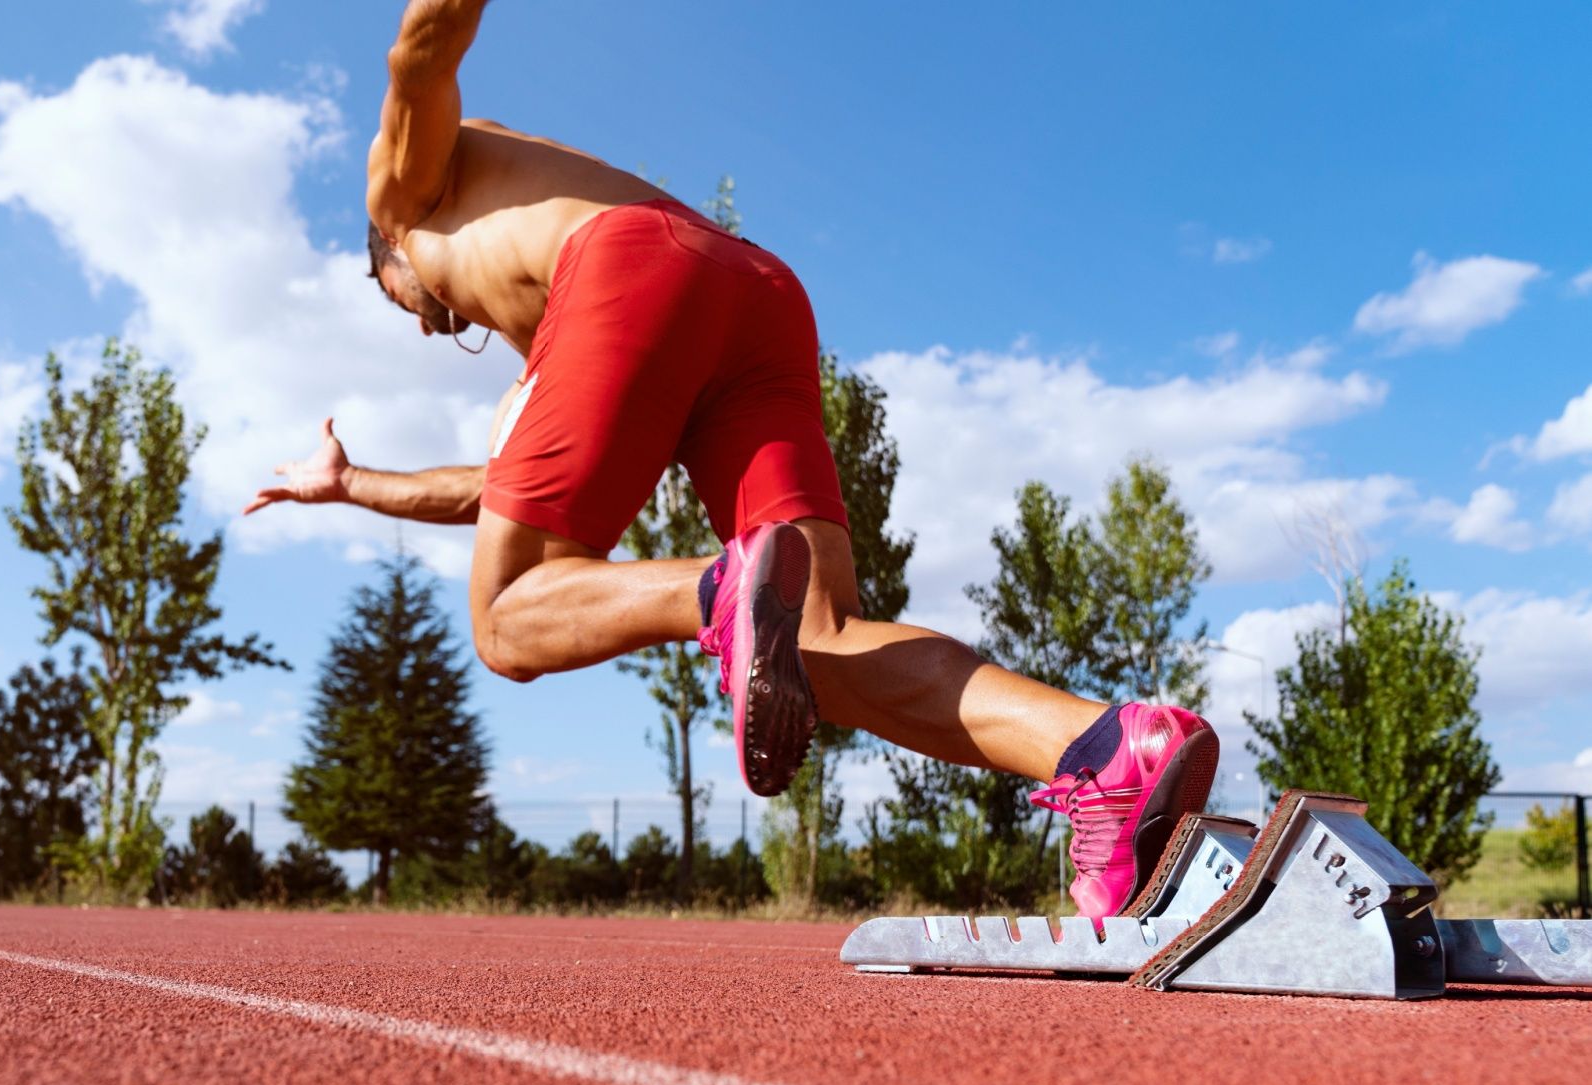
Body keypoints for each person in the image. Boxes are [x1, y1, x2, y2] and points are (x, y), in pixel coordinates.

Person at [244, 0, 1218, 918]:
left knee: (503, 622)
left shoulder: (405, 193)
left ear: (385, 252)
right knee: (821, 639)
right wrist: (351, 484)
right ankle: (1103, 746)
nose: (424, 326)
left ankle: (722, 594)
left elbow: (420, 53)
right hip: (751, 291)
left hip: (629, 271)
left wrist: (718, 589)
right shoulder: (535, 322)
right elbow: (509, 493)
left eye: (400, 301)